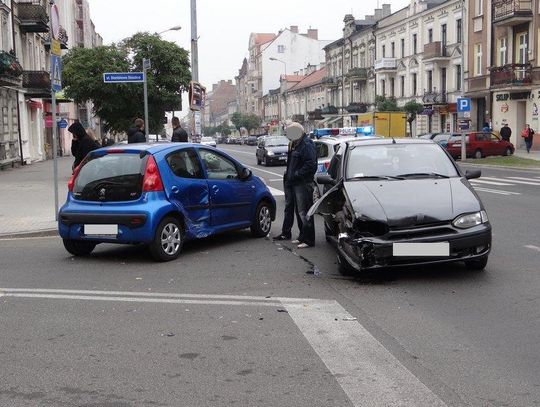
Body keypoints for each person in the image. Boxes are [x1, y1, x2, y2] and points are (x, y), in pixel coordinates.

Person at [274, 123, 317, 249]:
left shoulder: (306, 144)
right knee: (299, 212)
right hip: (293, 181)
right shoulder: (295, 143)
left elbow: (310, 165)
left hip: (302, 182)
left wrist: (296, 174)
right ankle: (302, 236)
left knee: (304, 211)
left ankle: (309, 240)